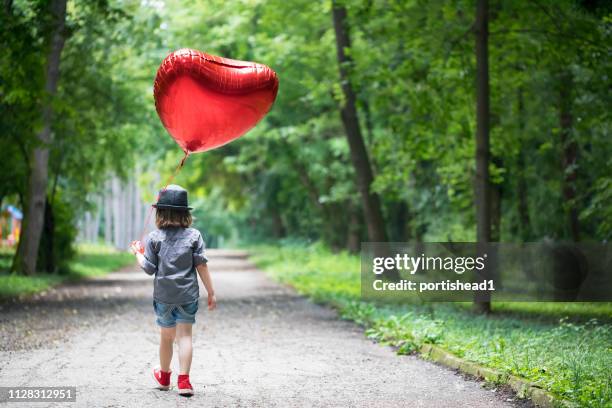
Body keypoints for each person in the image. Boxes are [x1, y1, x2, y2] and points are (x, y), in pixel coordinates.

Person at [130, 184, 216, 396]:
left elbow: (149, 269)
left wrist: (138, 254)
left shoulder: (154, 238)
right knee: (185, 337)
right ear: (185, 213)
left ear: (160, 212)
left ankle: (165, 377)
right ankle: (184, 382)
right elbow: (202, 265)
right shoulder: (194, 236)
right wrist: (211, 292)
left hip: (164, 297)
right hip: (188, 295)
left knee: (166, 337)